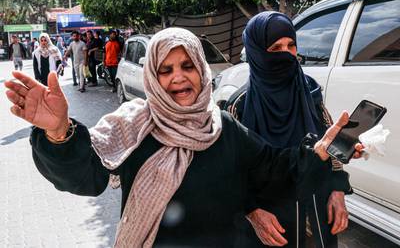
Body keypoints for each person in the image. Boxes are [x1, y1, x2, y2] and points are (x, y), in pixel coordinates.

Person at [4, 28, 363, 248]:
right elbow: (87, 175)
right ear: (153, 79)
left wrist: (320, 150)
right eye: (166, 69)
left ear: (202, 71)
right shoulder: (135, 127)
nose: (179, 77)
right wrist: (57, 131)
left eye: (188, 65)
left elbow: (274, 169)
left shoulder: (223, 126)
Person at [224, 12, 352, 248]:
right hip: (271, 222)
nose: (286, 53)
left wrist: (337, 190)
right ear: (257, 52)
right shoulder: (238, 106)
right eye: (275, 47)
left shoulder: (309, 91)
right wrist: (252, 211)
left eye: (291, 45)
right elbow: (231, 171)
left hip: (315, 209)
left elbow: (330, 141)